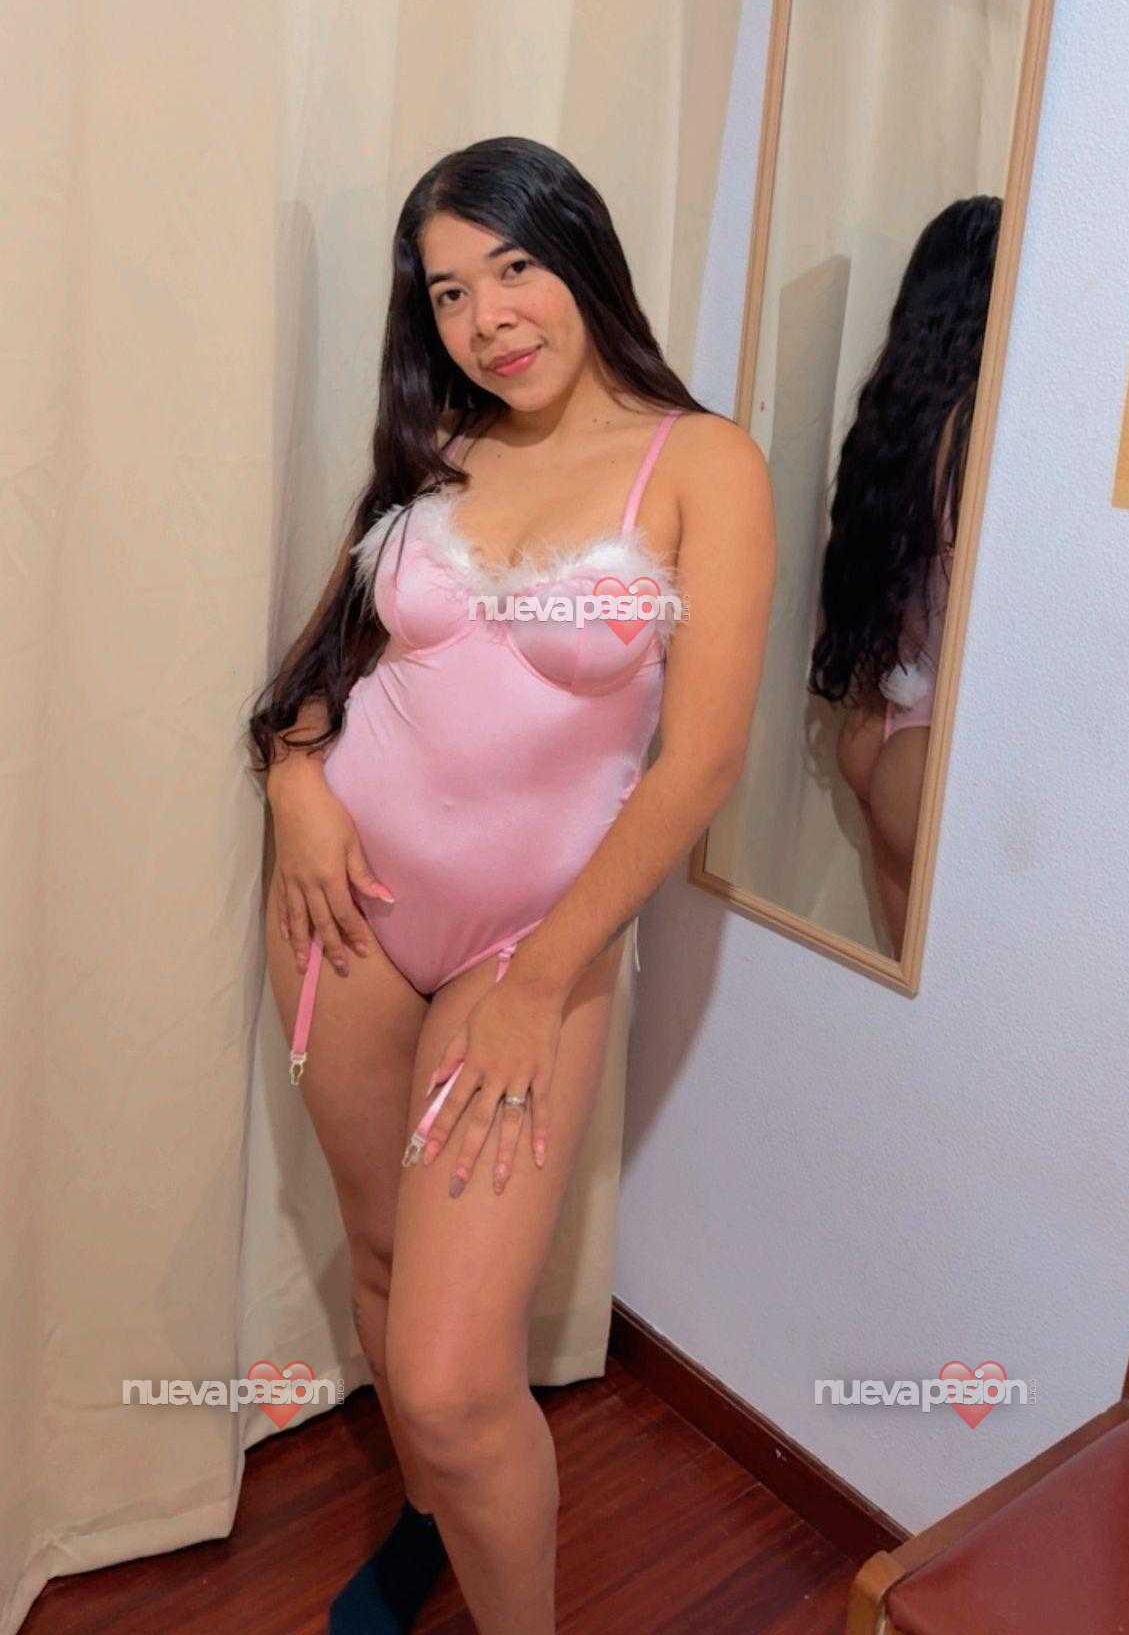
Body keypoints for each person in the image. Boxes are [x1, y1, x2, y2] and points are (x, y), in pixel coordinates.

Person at [245, 135, 776, 1634]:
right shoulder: (442, 443)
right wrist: (294, 787)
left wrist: (541, 983)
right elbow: (322, 665)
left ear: (581, 252)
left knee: (451, 1373)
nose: (489, 317)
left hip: (532, 949)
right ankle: (425, 1522)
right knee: (381, 1256)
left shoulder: (705, 463)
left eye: (516, 266)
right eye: (449, 291)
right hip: (346, 920)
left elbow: (700, 765)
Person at [809, 194, 1002, 951]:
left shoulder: (896, 421)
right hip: (941, 746)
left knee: (907, 976)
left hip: (880, 727)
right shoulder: (984, 429)